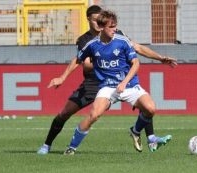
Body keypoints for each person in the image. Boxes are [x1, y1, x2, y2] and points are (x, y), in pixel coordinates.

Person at [37, 5, 177, 155]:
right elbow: (83, 63)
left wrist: (160, 58)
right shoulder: (85, 41)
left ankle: (149, 137)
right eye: (96, 19)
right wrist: (62, 77)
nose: (99, 23)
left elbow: (138, 49)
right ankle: (48, 145)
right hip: (93, 83)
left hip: (121, 82)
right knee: (67, 113)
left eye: (101, 19)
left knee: (148, 107)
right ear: (91, 20)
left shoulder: (119, 37)